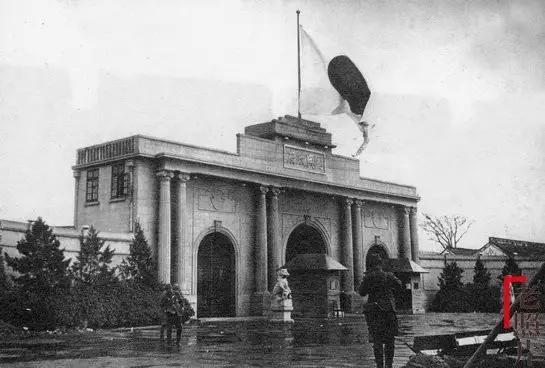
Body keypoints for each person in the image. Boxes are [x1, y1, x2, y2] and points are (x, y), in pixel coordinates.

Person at [358, 254, 402, 368]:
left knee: (377, 340)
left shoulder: (368, 277)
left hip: (374, 312)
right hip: (389, 311)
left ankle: (379, 365)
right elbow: (399, 285)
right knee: (390, 340)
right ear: (380, 264)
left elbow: (362, 292)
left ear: (371, 264)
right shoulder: (388, 276)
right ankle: (389, 365)